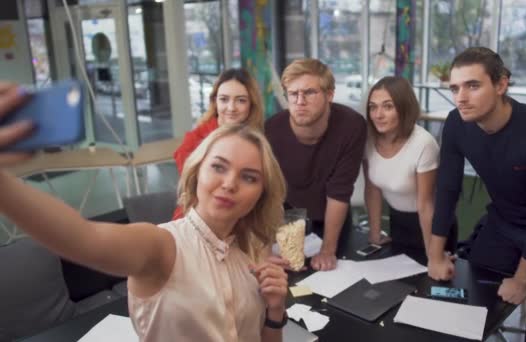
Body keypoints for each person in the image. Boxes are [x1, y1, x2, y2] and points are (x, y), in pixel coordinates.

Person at [0, 85, 289, 341]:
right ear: (197, 171)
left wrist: (274, 311)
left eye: (249, 177)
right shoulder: (162, 246)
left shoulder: (254, 251)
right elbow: (84, 238)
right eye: (218, 167)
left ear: (261, 194)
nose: (229, 184)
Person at [428, 47, 526, 342]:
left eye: (473, 85)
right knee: (472, 293)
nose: (461, 97)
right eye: (455, 88)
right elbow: (447, 189)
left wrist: (522, 281)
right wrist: (435, 255)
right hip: (502, 220)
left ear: (501, 84)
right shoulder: (457, 123)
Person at [265, 58, 366, 271]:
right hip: (288, 216)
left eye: (309, 93)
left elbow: (339, 191)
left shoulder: (352, 126)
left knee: (332, 276)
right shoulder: (272, 130)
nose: (300, 101)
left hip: (332, 217)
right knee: (287, 278)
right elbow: (269, 193)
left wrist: (328, 250)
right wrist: (267, 247)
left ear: (330, 95)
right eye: (293, 94)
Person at [363, 76, 455, 261]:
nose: (378, 114)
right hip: (397, 221)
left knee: (430, 283)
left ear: (404, 107)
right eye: (373, 107)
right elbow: (372, 189)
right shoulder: (369, 141)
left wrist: (433, 254)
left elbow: (426, 204)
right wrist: (374, 233)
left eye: (388, 106)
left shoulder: (423, 143)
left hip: (432, 226)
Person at [173, 68, 264, 219]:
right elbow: (197, 194)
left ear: (251, 104)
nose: (231, 108)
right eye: (224, 99)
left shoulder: (258, 140)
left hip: (245, 218)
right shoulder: (194, 142)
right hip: (200, 220)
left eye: (241, 100)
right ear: (215, 102)